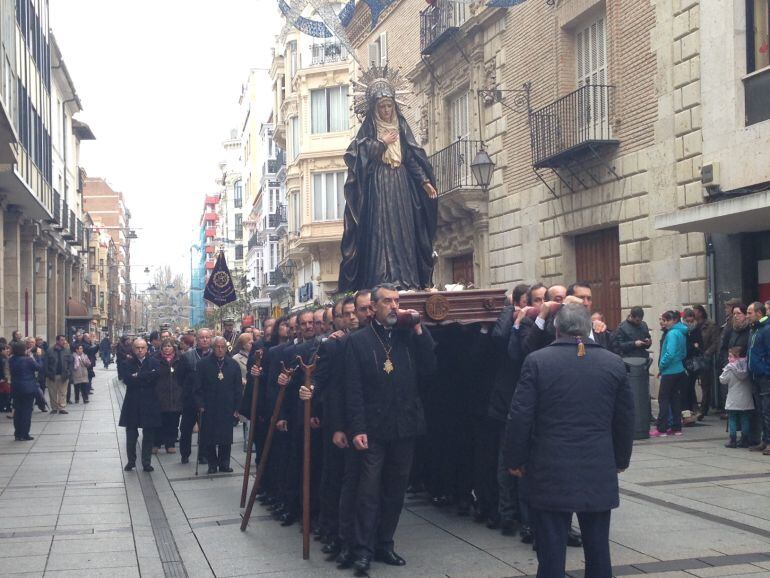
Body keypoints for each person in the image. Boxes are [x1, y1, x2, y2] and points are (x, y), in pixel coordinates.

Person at [502, 304, 634, 578]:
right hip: (597, 466)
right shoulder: (613, 363)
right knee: (598, 550)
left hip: (550, 465)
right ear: (587, 329)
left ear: (557, 328)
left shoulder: (538, 361)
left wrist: (515, 459)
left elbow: (520, 416)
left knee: (550, 552)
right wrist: (620, 458)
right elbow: (625, 419)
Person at [345, 283, 437, 572]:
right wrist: (357, 428)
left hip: (404, 425)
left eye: (397, 301)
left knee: (396, 490)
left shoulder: (408, 337)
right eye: (387, 301)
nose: (394, 306)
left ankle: (385, 543)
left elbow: (430, 369)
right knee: (368, 490)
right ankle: (362, 548)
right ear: (373, 308)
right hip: (372, 428)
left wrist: (421, 332)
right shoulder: (358, 341)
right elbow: (353, 389)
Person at [338, 68, 438, 292]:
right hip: (378, 186)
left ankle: (406, 278)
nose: (385, 110)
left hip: (401, 185)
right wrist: (381, 143)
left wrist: (423, 181)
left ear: (394, 106)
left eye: (389, 106)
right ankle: (382, 278)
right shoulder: (369, 130)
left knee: (405, 229)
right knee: (380, 231)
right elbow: (356, 156)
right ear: (374, 108)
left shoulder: (401, 128)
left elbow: (411, 157)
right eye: (381, 106)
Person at [194, 336, 243, 474]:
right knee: (209, 437)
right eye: (217, 347)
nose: (220, 350)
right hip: (209, 406)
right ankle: (212, 464)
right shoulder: (203, 364)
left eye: (222, 347)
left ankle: (224, 463)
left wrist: (237, 408)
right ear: (213, 348)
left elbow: (238, 388)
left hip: (227, 406)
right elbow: (197, 387)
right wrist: (200, 404)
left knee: (226, 437)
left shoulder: (233, 364)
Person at [119, 339, 161, 472]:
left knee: (149, 433)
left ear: (147, 349)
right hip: (133, 402)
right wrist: (145, 377)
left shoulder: (154, 362)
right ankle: (131, 461)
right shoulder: (127, 363)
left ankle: (146, 462)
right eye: (137, 348)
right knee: (131, 433)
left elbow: (156, 377)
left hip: (149, 402)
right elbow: (127, 379)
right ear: (133, 348)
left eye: (143, 347)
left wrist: (139, 376)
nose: (140, 350)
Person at [178, 329, 212, 464]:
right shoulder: (188, 356)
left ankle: (203, 454)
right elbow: (179, 377)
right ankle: (185, 453)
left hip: (207, 399)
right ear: (197, 339)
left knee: (205, 428)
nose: (204, 340)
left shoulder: (214, 356)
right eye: (202, 337)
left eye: (207, 337)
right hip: (190, 399)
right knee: (186, 428)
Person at [652, 311, 688, 437]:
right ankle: (676, 427)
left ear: (672, 320)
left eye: (666, 320)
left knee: (663, 398)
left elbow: (670, 352)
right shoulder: (681, 332)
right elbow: (683, 352)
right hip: (679, 368)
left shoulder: (672, 333)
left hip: (670, 370)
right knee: (675, 399)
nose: (664, 323)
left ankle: (661, 428)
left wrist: (662, 365)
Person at [153, 338, 184, 454]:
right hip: (160, 395)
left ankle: (170, 444)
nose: (167, 348)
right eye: (165, 346)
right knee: (159, 422)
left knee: (173, 421)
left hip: (176, 395)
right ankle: (156, 443)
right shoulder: (155, 359)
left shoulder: (180, 359)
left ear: (173, 348)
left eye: (169, 346)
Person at [721, 346, 754, 448]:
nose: (728, 359)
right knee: (744, 419)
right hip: (746, 399)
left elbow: (723, 380)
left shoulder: (730, 368)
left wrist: (725, 370)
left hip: (733, 399)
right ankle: (745, 439)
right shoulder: (748, 367)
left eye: (730, 356)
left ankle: (733, 439)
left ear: (737, 357)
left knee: (732, 419)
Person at [9, 341, 43, 440]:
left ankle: (18, 433)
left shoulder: (11, 360)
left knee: (18, 411)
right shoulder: (28, 360)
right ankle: (24, 434)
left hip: (16, 388)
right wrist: (39, 357)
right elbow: (39, 367)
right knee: (26, 412)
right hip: (28, 388)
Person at [748, 303, 770, 453]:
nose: (747, 315)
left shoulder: (766, 329)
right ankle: (765, 440)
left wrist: (766, 371)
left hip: (764, 375)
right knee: (760, 410)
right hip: (755, 375)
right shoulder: (755, 329)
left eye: (750, 312)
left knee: (767, 410)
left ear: (759, 313)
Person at [693, 305, 719, 419]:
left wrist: (707, 353)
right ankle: (694, 408)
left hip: (705, 357)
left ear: (701, 312)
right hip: (694, 357)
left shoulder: (711, 325)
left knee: (705, 384)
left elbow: (715, 342)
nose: (694, 313)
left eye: (696, 311)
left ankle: (703, 409)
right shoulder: (694, 325)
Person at [45, 335, 73, 414]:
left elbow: (71, 362)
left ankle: (62, 407)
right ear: (57, 341)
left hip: (64, 375)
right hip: (52, 375)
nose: (63, 341)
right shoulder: (49, 351)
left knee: (63, 392)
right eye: (61, 340)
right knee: (52, 392)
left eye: (64, 340)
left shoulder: (67, 350)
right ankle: (54, 408)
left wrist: (69, 372)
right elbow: (45, 363)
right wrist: (48, 373)